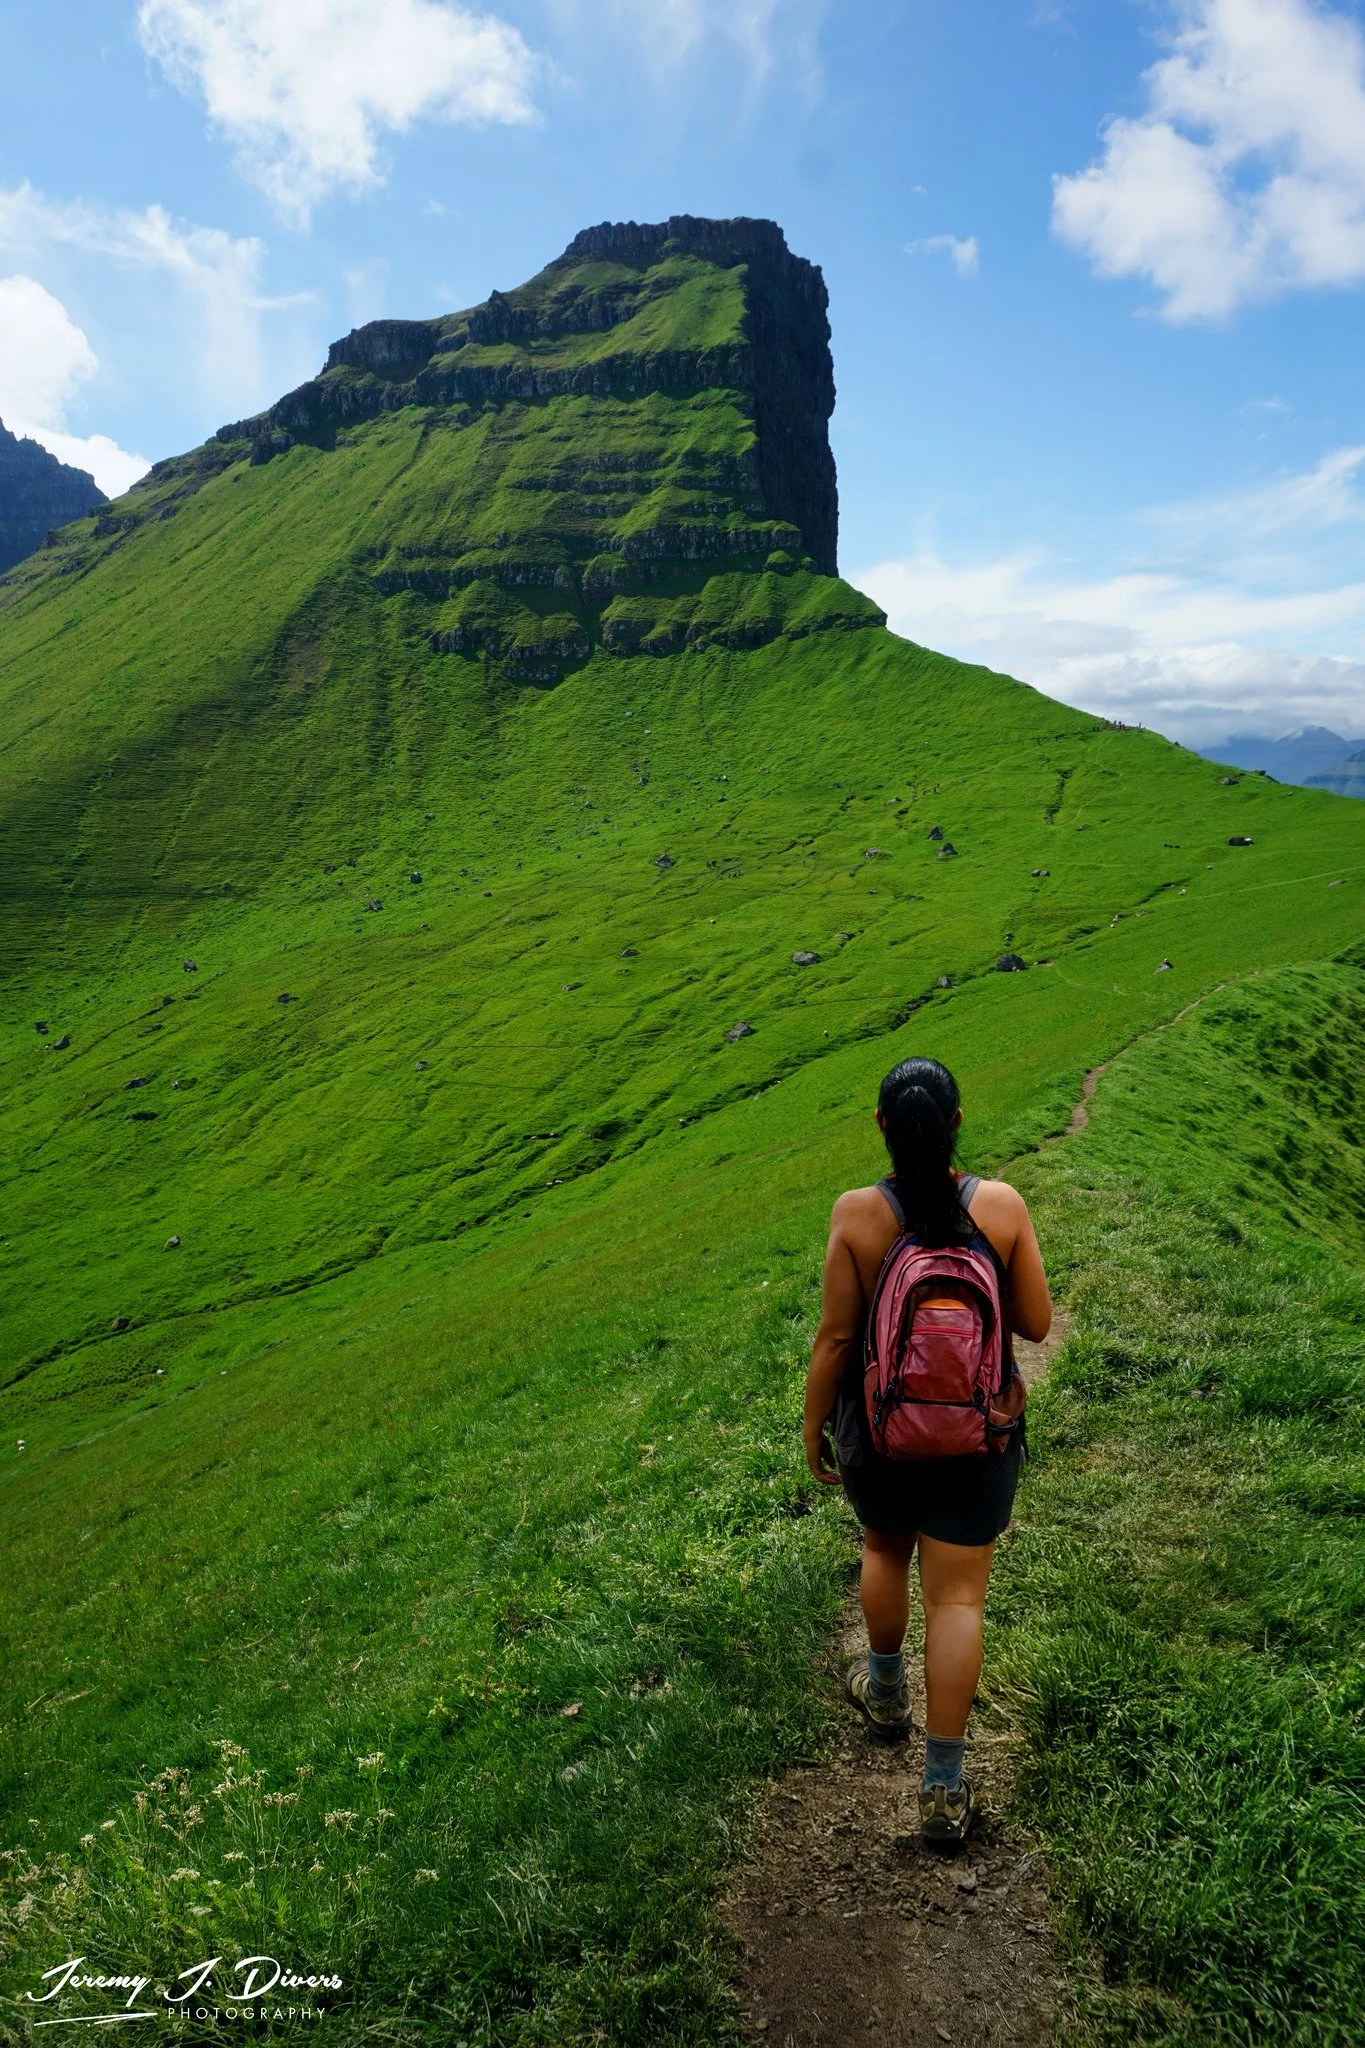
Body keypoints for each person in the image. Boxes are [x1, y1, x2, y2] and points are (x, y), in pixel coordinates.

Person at [802, 1056, 1052, 1845]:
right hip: (975, 1438)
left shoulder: (854, 1215)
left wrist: (813, 1424)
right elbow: (1037, 1326)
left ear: (880, 1125)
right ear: (955, 1122)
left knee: (884, 1546)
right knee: (957, 1602)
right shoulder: (1002, 1206)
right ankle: (943, 1787)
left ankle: (883, 1695)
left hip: (878, 1432)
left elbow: (838, 1337)